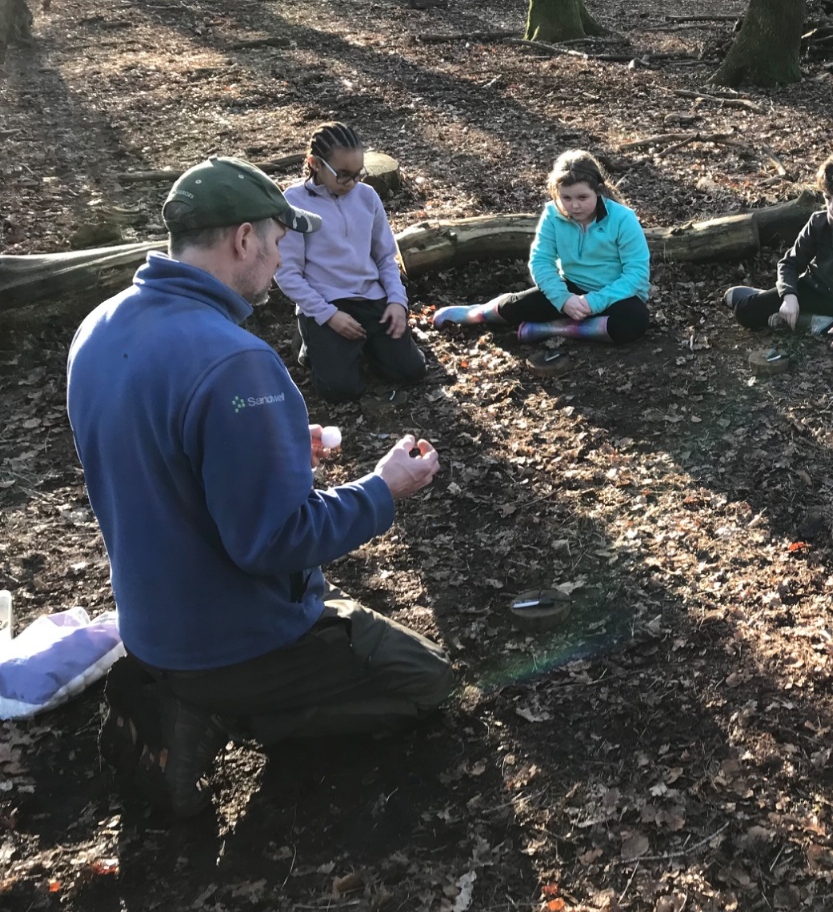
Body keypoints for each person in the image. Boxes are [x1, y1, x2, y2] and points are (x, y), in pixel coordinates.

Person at [67, 158, 453, 820]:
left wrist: (269, 443)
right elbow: (276, 541)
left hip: (151, 621)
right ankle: (219, 710)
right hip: (234, 638)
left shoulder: (100, 326)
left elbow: (159, 452)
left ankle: (184, 684)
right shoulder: (236, 360)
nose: (279, 260)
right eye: (277, 242)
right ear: (244, 239)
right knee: (427, 682)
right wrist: (384, 489)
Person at [275, 122, 428, 402]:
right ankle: (310, 342)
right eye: (343, 175)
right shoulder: (293, 203)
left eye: (358, 174)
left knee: (411, 371)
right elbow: (287, 273)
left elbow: (385, 256)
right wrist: (328, 315)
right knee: (340, 390)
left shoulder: (367, 196)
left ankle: (366, 346)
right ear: (315, 164)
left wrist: (397, 300)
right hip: (326, 302)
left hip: (371, 297)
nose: (353, 183)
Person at [431, 150, 650, 344]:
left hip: (614, 295)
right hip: (570, 289)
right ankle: (479, 313)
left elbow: (637, 274)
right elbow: (541, 260)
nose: (574, 205)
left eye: (583, 197)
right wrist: (564, 299)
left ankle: (549, 329)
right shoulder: (553, 214)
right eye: (566, 198)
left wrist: (593, 302)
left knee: (634, 321)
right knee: (516, 306)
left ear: (599, 191)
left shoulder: (623, 218)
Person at [722, 150, 833, 351]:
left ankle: (808, 321)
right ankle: (802, 317)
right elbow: (790, 263)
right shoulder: (819, 222)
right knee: (744, 312)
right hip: (813, 291)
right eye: (828, 198)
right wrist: (789, 295)